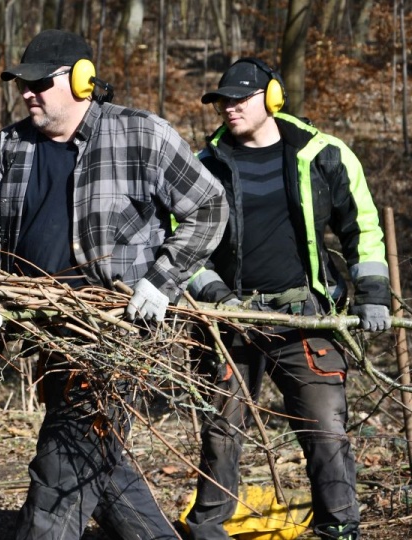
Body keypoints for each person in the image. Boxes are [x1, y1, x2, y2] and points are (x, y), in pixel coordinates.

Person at [0, 28, 228, 540]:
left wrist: (160, 281)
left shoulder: (140, 134)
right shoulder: (9, 146)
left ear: (81, 80)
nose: (28, 92)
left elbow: (209, 207)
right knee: (101, 462)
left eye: (39, 82)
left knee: (63, 466)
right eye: (22, 83)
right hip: (46, 328)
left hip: (113, 331)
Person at [181, 58, 392, 540]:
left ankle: (339, 527)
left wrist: (373, 294)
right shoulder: (203, 164)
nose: (229, 108)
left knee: (325, 425)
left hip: (305, 317)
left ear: (272, 97)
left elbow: (361, 226)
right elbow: (182, 241)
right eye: (222, 101)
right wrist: (213, 294)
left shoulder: (323, 154)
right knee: (220, 429)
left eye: (240, 98)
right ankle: (208, 528)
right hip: (229, 317)